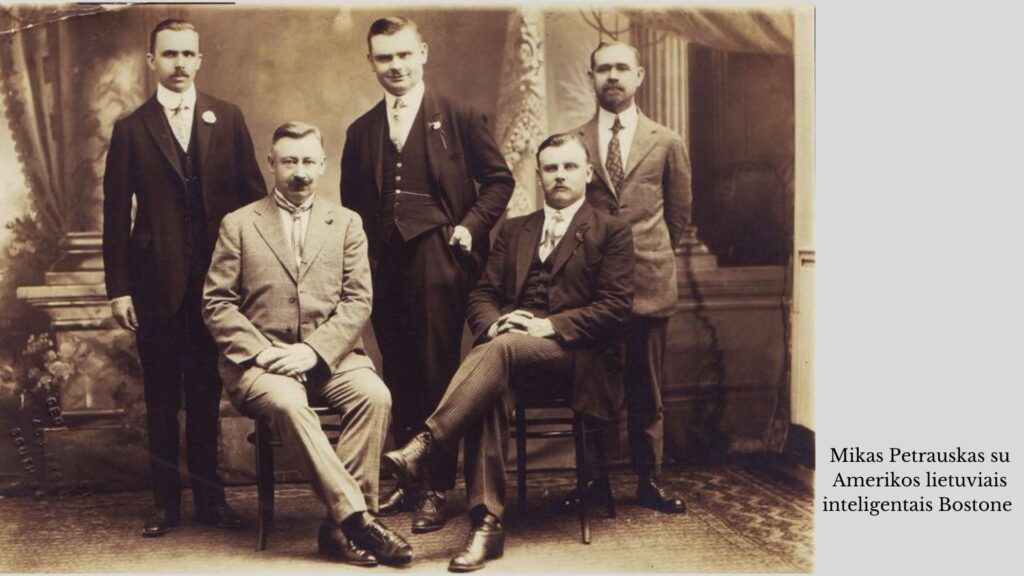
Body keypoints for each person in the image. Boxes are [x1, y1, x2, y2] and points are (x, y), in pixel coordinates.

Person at [383, 133, 634, 572]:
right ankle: (486, 524)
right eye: (550, 168)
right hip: (511, 355)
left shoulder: (611, 230)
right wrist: (496, 322)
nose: (559, 176)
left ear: (589, 173)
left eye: (569, 167)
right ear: (538, 176)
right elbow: (482, 293)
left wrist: (547, 326)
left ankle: (427, 443)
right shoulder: (517, 229)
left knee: (499, 352)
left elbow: (615, 307)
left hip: (577, 359)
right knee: (489, 389)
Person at [202, 122, 413, 567]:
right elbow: (217, 303)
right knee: (289, 404)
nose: (300, 172)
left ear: (322, 164)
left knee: (375, 396)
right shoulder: (239, 224)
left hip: (333, 358)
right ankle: (358, 520)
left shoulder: (347, 223)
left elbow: (358, 301)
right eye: (289, 161)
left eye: (308, 161)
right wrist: (262, 352)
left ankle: (338, 527)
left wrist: (314, 352)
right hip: (262, 363)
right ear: (271, 164)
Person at [340, 16, 514, 533]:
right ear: (370, 62)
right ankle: (410, 481)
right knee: (397, 370)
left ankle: (437, 488)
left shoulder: (459, 116)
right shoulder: (361, 131)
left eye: (403, 55)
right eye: (384, 58)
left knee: (438, 370)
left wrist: (469, 226)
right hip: (383, 264)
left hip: (440, 256)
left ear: (422, 54)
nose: (395, 66)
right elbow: (353, 208)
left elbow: (499, 181)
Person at [102, 18, 265, 537]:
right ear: (152, 61)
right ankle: (164, 505)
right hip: (155, 283)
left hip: (218, 285)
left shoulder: (228, 118)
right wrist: (119, 289)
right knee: (161, 399)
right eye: (169, 54)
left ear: (200, 59)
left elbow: (254, 202)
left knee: (205, 396)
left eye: (188, 54)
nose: (179, 64)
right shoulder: (132, 128)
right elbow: (114, 216)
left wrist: (255, 277)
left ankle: (211, 501)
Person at [568, 41, 692, 514]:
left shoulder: (667, 141)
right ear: (591, 77)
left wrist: (648, 255)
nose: (613, 76)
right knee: (593, 388)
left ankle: (649, 480)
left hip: (649, 283)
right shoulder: (574, 142)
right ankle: (594, 482)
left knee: (647, 389)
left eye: (622, 68)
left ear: (640, 76)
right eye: (604, 69)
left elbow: (678, 215)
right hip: (591, 290)